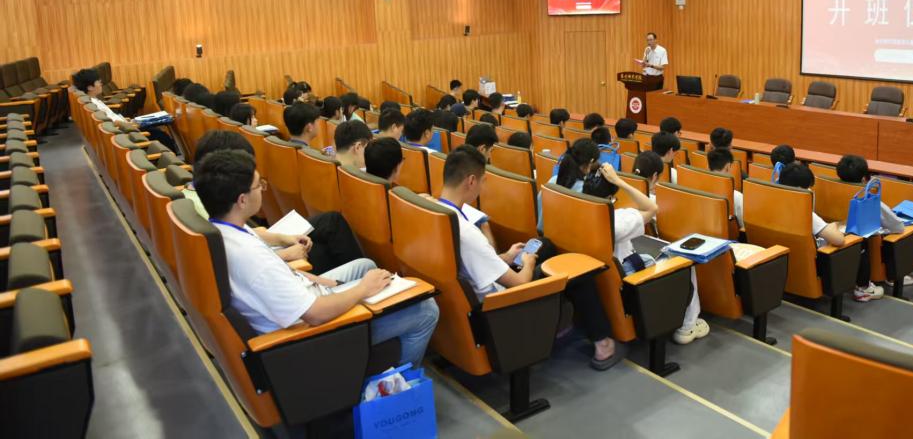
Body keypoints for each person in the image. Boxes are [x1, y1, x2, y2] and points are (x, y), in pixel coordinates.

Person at [194, 149, 438, 366]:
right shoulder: (252, 259)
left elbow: (284, 276)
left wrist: (325, 282)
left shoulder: (224, 230)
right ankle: (394, 384)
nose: (263, 189)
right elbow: (315, 314)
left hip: (310, 296)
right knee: (426, 310)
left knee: (365, 265)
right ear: (242, 200)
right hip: (312, 336)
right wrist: (362, 289)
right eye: (259, 185)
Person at [440, 146, 624, 370]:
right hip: (501, 306)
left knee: (545, 245)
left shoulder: (439, 214)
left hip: (484, 289)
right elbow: (520, 283)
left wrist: (506, 257)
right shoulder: (469, 234)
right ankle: (603, 345)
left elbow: (473, 263)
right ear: (471, 181)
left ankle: (563, 319)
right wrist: (527, 263)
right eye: (482, 181)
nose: (482, 187)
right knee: (578, 272)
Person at [184, 130, 364, 272]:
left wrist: (280, 238)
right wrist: (285, 254)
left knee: (330, 222)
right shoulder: (210, 207)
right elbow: (238, 264)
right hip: (271, 262)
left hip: (264, 248)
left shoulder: (198, 194)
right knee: (343, 253)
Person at [585, 163, 708, 345]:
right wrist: (619, 181)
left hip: (608, 288)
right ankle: (688, 326)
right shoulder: (619, 222)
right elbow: (652, 208)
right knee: (685, 259)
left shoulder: (581, 216)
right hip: (633, 286)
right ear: (610, 198)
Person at [836, 154, 912, 293]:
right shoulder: (866, 200)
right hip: (860, 244)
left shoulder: (828, 190)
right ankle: (891, 277)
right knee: (899, 234)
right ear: (864, 179)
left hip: (839, 238)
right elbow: (898, 227)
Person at [72, 67, 178, 151]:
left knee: (157, 130)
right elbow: (112, 123)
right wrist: (130, 124)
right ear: (90, 87)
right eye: (98, 82)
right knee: (160, 135)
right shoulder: (92, 104)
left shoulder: (94, 100)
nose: (101, 84)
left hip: (125, 125)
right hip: (125, 131)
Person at [777, 162, 850, 249]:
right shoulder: (805, 214)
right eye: (807, 188)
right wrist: (835, 225)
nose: (810, 190)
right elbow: (839, 240)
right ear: (800, 189)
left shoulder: (772, 202)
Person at [707, 147, 744, 229]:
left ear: (708, 167)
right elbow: (743, 227)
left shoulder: (697, 189)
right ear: (728, 167)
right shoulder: (737, 197)